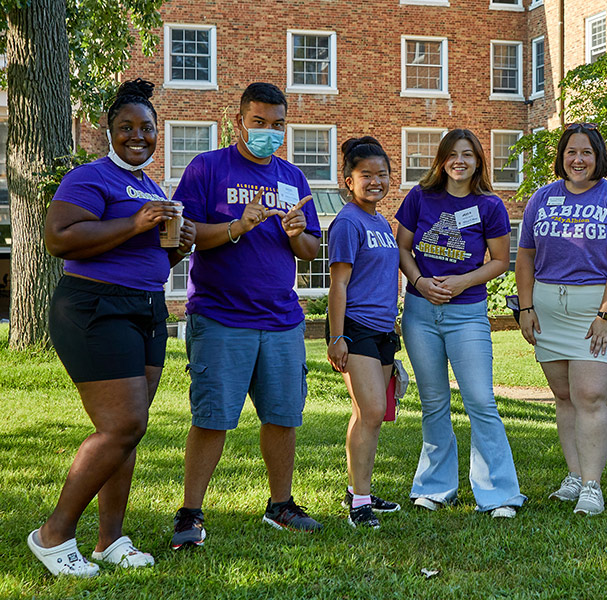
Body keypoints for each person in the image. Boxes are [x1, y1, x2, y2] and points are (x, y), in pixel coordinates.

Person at [32, 79, 195, 576]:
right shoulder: (89, 177)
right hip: (93, 307)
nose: (138, 136)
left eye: (147, 128)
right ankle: (53, 534)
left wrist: (179, 243)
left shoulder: (149, 185)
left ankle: (110, 539)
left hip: (145, 309)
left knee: (128, 433)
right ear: (109, 130)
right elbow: (59, 238)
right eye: (126, 127)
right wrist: (134, 223)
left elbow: (152, 255)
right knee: (122, 424)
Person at [170, 82, 323, 549]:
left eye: (278, 125)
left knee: (282, 416)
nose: (269, 133)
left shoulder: (293, 177)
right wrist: (238, 226)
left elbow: (311, 250)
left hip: (281, 318)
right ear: (239, 122)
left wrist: (297, 233)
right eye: (259, 123)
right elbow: (185, 234)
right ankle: (191, 512)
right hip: (221, 315)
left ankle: (280, 506)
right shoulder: (208, 168)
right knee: (213, 417)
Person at [396, 128, 525, 518]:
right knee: (433, 401)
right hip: (420, 313)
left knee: (481, 401)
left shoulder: (490, 205)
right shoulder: (420, 197)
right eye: (453, 154)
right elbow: (402, 247)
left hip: (467, 314)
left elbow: (501, 260)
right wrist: (418, 282)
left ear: (478, 161)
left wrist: (462, 281)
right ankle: (436, 487)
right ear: (441, 159)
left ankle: (498, 494)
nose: (460, 161)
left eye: (468, 154)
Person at [516, 123, 607, 516]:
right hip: (548, 306)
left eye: (586, 152)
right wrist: (525, 307)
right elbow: (525, 256)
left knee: (589, 395)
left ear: (598, 157)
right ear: (562, 156)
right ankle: (574, 475)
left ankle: (592, 486)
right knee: (565, 397)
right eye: (571, 151)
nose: (578, 159)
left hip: (596, 307)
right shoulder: (542, 197)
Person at [327, 137, 402, 529]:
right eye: (366, 175)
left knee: (370, 415)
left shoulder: (381, 223)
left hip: (384, 328)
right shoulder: (347, 222)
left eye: (382, 175)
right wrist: (336, 337)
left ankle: (362, 490)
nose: (376, 182)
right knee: (371, 411)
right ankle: (359, 503)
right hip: (355, 328)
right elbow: (338, 284)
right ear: (348, 180)